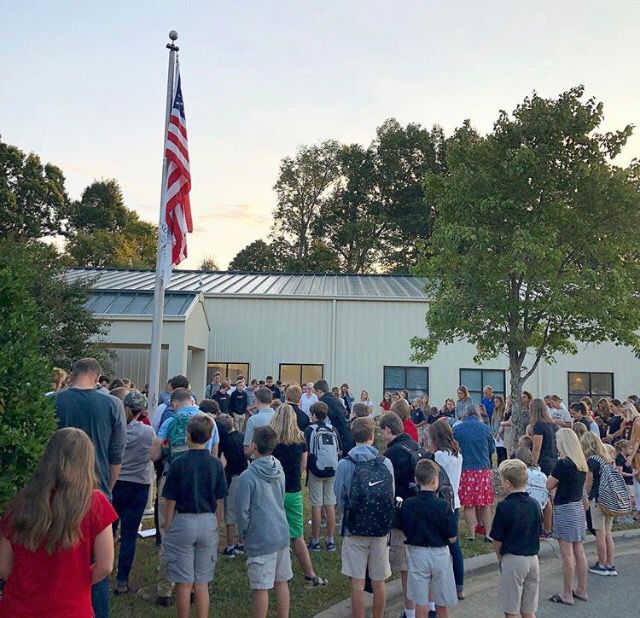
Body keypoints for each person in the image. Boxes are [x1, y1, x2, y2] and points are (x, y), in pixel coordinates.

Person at [0, 428, 117, 618]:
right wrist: (77, 582)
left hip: (18, 608)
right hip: (71, 608)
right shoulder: (95, 504)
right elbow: (105, 566)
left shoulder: (19, 502)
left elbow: (4, 568)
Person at [54, 358, 125, 618]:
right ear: (97, 378)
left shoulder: (54, 401)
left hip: (56, 489)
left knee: (58, 559)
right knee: (97, 564)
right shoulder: (112, 404)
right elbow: (117, 454)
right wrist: (108, 487)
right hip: (97, 490)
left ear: (73, 375)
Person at [161, 415, 227, 618]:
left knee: (183, 580)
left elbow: (170, 499)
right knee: (202, 580)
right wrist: (218, 521)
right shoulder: (215, 464)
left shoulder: (179, 464)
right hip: (207, 520)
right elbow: (220, 498)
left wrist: (168, 524)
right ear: (209, 438)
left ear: (188, 435)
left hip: (184, 519)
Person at [334, 417, 395, 618]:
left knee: (357, 582)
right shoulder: (385, 462)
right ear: (372, 437)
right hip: (380, 527)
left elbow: (339, 496)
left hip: (354, 526)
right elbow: (391, 494)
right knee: (379, 581)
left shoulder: (345, 464)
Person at [235, 425, 292, 618]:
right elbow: (281, 496)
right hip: (281, 531)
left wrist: (244, 534)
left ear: (253, 445)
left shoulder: (247, 476)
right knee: (281, 581)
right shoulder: (279, 467)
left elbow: (242, 512)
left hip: (260, 536)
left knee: (261, 587)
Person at [271, 404, 327, 587]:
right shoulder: (300, 439)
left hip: (273, 491)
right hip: (293, 490)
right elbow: (303, 466)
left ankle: (272, 574)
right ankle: (310, 575)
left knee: (272, 532)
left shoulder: (271, 439)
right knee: (297, 535)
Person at [398, 459, 458, 618]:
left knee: (420, 602)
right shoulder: (443, 506)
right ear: (435, 481)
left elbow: (404, 529)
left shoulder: (408, 504)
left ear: (416, 480)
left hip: (417, 553)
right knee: (442, 602)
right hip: (439, 554)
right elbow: (452, 537)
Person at [379, 411, 423, 616]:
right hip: (423, 512)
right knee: (422, 567)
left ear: (388, 430)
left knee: (406, 568)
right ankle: (429, 607)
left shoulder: (392, 454)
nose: (382, 436)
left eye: (382, 432)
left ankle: (410, 611)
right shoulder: (416, 446)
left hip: (403, 516)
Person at [112, 390, 155, 595]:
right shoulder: (147, 432)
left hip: (115, 482)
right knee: (129, 534)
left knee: (107, 530)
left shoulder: (115, 428)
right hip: (138, 484)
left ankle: (100, 571)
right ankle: (122, 581)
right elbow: (154, 454)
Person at [489, 459, 542, 618]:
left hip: (513, 559)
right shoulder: (534, 504)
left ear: (507, 483)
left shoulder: (504, 506)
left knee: (511, 608)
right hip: (533, 558)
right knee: (528, 609)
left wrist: (500, 558)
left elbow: (497, 538)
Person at [546, 428, 588, 606]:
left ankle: (567, 593)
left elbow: (549, 483)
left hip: (565, 508)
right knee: (579, 550)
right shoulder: (581, 463)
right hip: (577, 506)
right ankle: (581, 589)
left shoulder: (563, 463)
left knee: (567, 554)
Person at [429, 419, 465, 601]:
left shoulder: (439, 456)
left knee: (440, 546)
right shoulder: (457, 454)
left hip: (441, 502)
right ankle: (459, 586)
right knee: (454, 545)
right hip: (455, 501)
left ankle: (440, 586)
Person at [454, 408, 495, 541]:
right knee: (485, 503)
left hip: (466, 469)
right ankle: (488, 533)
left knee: (468, 504)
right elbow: (492, 449)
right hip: (482, 469)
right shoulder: (485, 428)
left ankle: (471, 534)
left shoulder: (458, 429)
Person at [304, 402, 340, 552]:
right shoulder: (333, 429)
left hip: (316, 470)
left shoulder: (309, 430)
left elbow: (306, 451)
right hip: (332, 470)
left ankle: (315, 541)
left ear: (313, 415)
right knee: (330, 505)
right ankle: (331, 540)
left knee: (317, 505)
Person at [581, 431, 617, 575]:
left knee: (600, 533)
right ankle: (610, 564)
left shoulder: (591, 461)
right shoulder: (607, 459)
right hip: (610, 499)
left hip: (597, 499)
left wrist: (586, 496)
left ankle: (602, 564)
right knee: (608, 533)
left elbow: (588, 484)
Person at [216, 414, 248, 558]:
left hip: (232, 478)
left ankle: (230, 546)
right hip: (244, 475)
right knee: (243, 511)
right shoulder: (242, 437)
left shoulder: (224, 442)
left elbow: (223, 463)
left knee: (230, 514)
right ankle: (242, 543)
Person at [514, 446, 550, 535]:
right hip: (540, 502)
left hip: (524, 500)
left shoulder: (519, 474)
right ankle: (547, 529)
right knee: (548, 503)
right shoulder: (541, 474)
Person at [314, 379, 355, 451]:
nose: (316, 396)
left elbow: (325, 419)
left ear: (319, 391)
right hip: (346, 429)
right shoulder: (333, 398)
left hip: (338, 431)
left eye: (316, 393)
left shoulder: (324, 401)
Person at [527, 398, 558, 476]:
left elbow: (537, 448)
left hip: (543, 461)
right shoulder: (553, 424)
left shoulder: (539, 425)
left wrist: (533, 464)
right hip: (554, 459)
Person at [244, 387, 275, 458]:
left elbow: (246, 449)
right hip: (276, 461)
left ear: (257, 401)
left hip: (257, 460)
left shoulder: (253, 420)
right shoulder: (278, 418)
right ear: (271, 401)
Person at [614, 440, 636, 523]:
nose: (631, 450)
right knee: (627, 500)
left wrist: (632, 471)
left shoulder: (625, 458)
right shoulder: (619, 458)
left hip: (629, 482)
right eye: (630, 449)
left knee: (631, 500)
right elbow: (620, 472)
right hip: (625, 482)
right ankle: (622, 518)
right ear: (623, 449)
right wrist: (631, 475)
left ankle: (627, 516)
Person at [492, 395, 507, 465]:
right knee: (498, 453)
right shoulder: (495, 411)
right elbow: (493, 422)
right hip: (495, 434)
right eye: (494, 402)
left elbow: (502, 423)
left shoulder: (503, 410)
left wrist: (498, 433)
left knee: (503, 453)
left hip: (501, 435)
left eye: (497, 402)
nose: (495, 403)